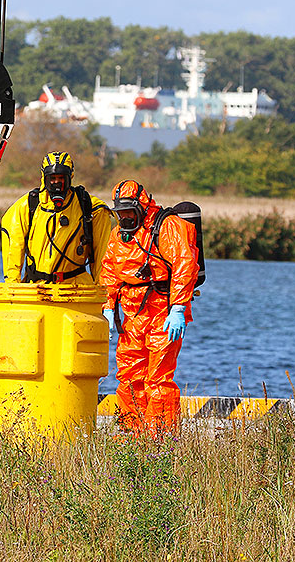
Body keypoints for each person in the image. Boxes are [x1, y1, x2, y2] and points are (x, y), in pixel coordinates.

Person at [99, 180, 197, 437]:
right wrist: (108, 308)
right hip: (132, 316)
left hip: (163, 312)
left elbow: (185, 266)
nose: (125, 218)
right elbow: (109, 271)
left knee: (158, 379)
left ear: (141, 207)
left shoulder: (167, 227)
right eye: (121, 213)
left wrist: (178, 308)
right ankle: (132, 436)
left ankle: (160, 439)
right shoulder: (118, 235)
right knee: (129, 376)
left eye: (129, 212)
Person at [1, 151, 111, 284]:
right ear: (44, 178)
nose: (56, 183)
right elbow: (13, 248)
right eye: (52, 178)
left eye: (61, 178)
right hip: (36, 288)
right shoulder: (27, 206)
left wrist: (102, 290)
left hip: (76, 288)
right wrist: (13, 286)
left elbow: (102, 255)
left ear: (70, 177)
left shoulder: (91, 207)